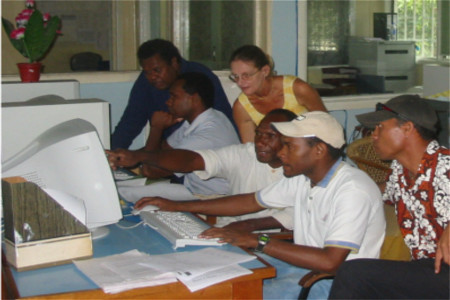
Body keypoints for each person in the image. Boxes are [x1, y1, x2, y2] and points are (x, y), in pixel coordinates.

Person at [135, 111, 386, 299]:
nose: (281, 153)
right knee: (215, 276)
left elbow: (331, 262)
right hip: (302, 268)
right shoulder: (304, 178)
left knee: (235, 293)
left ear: (319, 150)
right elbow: (249, 201)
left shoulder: (351, 190)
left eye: (289, 146)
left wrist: (259, 242)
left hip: (336, 284)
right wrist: (178, 206)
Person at [328, 94, 450, 299]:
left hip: (443, 270)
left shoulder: (444, 165)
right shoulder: (400, 172)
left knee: (354, 274)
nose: (373, 135)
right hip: (429, 270)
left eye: (380, 127)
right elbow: (378, 192)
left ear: (407, 128)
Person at [108, 109, 297, 228]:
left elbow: (284, 219)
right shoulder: (243, 154)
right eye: (258, 133)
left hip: (264, 240)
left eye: (270, 136)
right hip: (230, 232)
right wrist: (140, 156)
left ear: (289, 139)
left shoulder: (301, 171)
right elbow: (192, 160)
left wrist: (242, 229)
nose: (260, 141)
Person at [112, 72, 239, 202]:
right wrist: (121, 156)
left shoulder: (207, 134)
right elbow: (163, 149)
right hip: (195, 189)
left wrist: (156, 128)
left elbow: (150, 171)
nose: (168, 102)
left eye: (174, 96)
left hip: (215, 196)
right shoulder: (204, 118)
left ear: (194, 99)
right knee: (115, 187)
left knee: (122, 194)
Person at [111, 39, 234, 149]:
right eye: (147, 72)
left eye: (157, 70)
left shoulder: (200, 78)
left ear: (174, 63)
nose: (152, 77)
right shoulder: (145, 82)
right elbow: (130, 122)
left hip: (203, 152)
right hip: (169, 150)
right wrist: (110, 155)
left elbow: (224, 119)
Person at [229, 45, 327, 143]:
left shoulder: (298, 89)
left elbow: (327, 126)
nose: (240, 82)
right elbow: (251, 149)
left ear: (265, 71)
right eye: (236, 76)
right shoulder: (241, 107)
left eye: (246, 76)